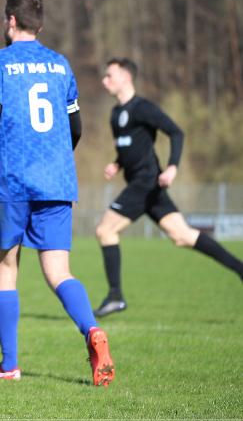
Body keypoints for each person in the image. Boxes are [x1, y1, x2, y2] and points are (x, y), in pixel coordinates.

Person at [0, 0, 114, 386]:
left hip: (11, 181)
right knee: (58, 271)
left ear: (11, 21)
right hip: (57, 180)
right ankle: (92, 330)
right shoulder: (60, 64)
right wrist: (56, 158)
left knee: (5, 268)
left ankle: (9, 364)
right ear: (40, 25)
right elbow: (75, 125)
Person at [93, 57, 243, 316]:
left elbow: (176, 132)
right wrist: (117, 164)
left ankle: (115, 296)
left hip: (145, 182)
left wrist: (172, 166)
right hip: (146, 186)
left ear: (126, 77)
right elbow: (130, 147)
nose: (105, 80)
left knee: (105, 230)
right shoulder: (116, 114)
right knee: (182, 235)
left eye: (110, 75)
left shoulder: (142, 108)